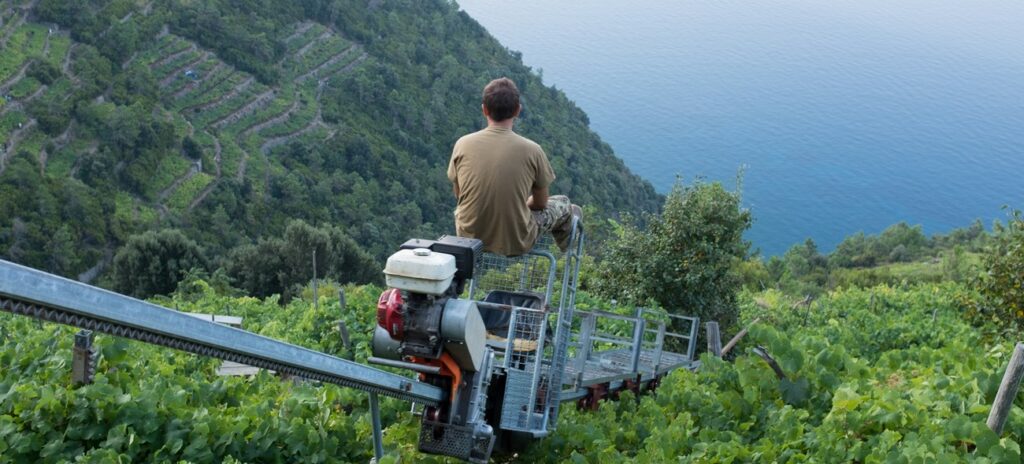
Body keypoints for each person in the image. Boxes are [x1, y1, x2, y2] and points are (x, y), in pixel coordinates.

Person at [447, 77, 581, 256]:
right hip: (516, 241)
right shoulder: (532, 150)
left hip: (468, 238)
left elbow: (459, 193)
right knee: (565, 204)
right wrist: (523, 204)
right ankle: (571, 256)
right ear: (518, 110)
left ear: (484, 109)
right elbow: (541, 203)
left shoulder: (462, 144)